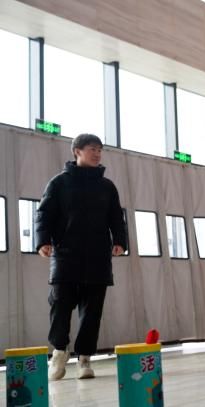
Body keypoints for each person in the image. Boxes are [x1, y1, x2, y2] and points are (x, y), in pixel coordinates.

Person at [35, 134, 127, 381]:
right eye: (92, 149)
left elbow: (116, 217)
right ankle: (59, 352)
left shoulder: (107, 187)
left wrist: (120, 241)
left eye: (100, 150)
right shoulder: (59, 183)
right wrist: (42, 241)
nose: (97, 154)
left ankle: (85, 358)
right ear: (77, 151)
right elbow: (44, 214)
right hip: (65, 255)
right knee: (60, 306)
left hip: (98, 257)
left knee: (92, 311)